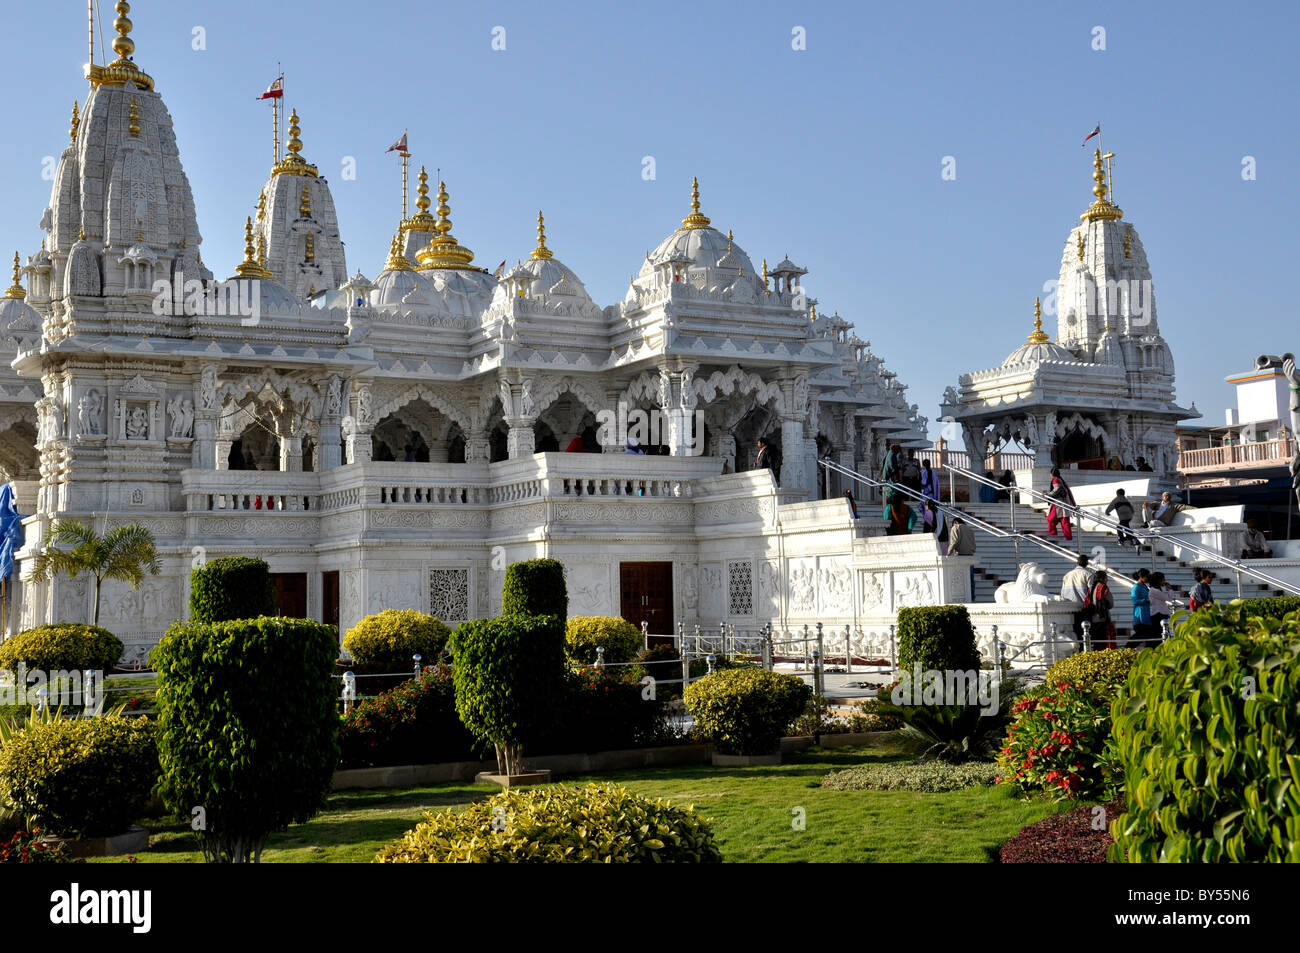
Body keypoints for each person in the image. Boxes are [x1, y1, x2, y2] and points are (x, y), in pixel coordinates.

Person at [1060, 555, 1093, 643]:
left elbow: (1062, 593)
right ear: (1087, 563)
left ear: (1077, 563)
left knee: (1073, 631)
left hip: (1069, 608)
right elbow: (1092, 592)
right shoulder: (1088, 574)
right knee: (1084, 631)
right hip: (1083, 608)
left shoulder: (1067, 575)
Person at [947, 516, 977, 595]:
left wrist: (948, 553)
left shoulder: (955, 527)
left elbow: (954, 542)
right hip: (970, 555)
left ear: (955, 522)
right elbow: (973, 543)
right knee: (970, 578)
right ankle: (972, 596)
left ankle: (961, 595)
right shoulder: (970, 529)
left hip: (960, 555)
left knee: (960, 578)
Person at [1045, 467, 1075, 541]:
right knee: (1064, 522)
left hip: (1058, 503)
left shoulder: (1055, 479)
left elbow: (1056, 490)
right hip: (1065, 503)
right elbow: (1069, 493)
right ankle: (1069, 538)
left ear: (1052, 474)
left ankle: (1053, 534)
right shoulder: (1062, 480)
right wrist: (1073, 504)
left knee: (1050, 519)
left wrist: (1047, 494)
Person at [1088, 569, 1116, 649]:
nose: (1107, 580)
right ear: (1101, 579)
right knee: (1104, 643)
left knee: (1097, 642)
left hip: (1093, 618)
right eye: (1106, 578)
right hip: (1102, 617)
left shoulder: (1090, 588)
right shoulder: (1103, 587)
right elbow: (1111, 603)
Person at [1148, 572, 1182, 636]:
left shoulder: (1157, 590)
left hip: (1160, 614)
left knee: (1164, 634)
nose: (1164, 581)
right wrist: (1170, 589)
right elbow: (1168, 598)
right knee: (1159, 634)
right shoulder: (1154, 591)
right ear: (1158, 580)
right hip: (1157, 615)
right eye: (1163, 580)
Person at [1131, 568, 1155, 645]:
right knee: (1141, 634)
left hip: (1146, 612)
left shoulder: (1145, 586)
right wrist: (1145, 600)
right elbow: (1134, 600)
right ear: (1141, 576)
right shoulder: (1136, 587)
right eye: (1147, 576)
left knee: (1148, 635)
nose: (1148, 578)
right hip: (1140, 613)